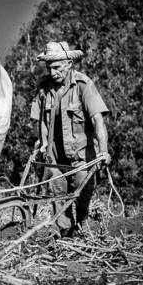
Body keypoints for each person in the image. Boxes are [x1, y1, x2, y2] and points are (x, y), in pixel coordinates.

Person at [30, 41, 111, 237]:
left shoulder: (83, 85)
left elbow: (97, 119)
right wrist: (42, 142)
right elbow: (40, 119)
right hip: (55, 154)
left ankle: (82, 224)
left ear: (69, 64)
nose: (52, 72)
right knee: (58, 192)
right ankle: (65, 232)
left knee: (83, 188)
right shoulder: (43, 88)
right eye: (49, 68)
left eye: (57, 67)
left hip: (81, 153)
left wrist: (103, 150)